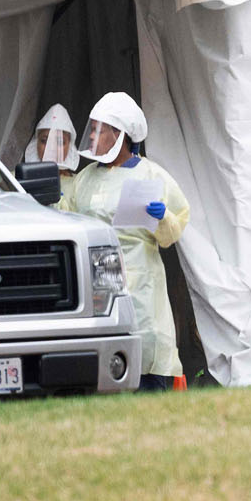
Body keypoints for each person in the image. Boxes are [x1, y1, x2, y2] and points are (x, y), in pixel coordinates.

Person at [60, 92, 188, 391]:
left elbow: (174, 232)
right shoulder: (85, 177)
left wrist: (162, 217)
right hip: (98, 279)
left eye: (99, 130)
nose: (92, 135)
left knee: (146, 348)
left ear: (119, 135)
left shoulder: (151, 174)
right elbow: (68, 218)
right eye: (92, 129)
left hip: (141, 281)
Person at [23, 103, 81, 205]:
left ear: (70, 146)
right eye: (44, 141)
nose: (51, 148)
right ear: (35, 143)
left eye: (59, 142)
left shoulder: (80, 183)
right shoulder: (17, 177)